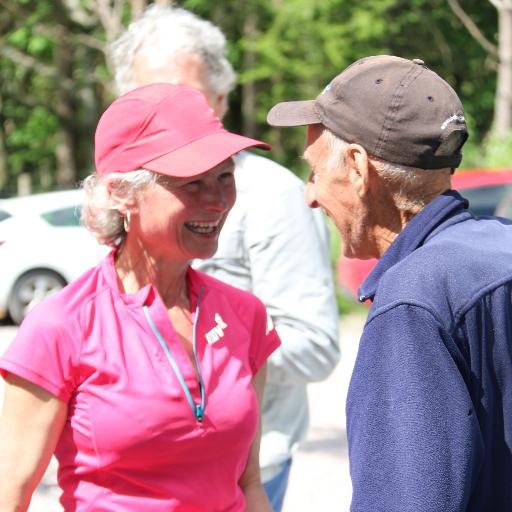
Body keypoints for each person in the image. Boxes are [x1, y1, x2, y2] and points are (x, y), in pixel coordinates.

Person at [0, 83, 281, 511]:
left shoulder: (245, 315)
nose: (218, 200)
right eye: (191, 184)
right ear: (120, 193)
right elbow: (9, 496)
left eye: (225, 176)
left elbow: (250, 483)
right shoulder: (61, 327)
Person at [110, 6, 340, 510]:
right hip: (139, 472)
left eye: (184, 95)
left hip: (240, 472)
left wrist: (208, 351)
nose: (167, 114)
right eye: (147, 97)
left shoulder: (269, 195)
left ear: (220, 96)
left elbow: (316, 345)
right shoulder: (120, 189)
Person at [267, 55, 512, 511]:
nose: (311, 194)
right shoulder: (502, 250)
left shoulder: (414, 301)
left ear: (358, 168)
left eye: (314, 171)